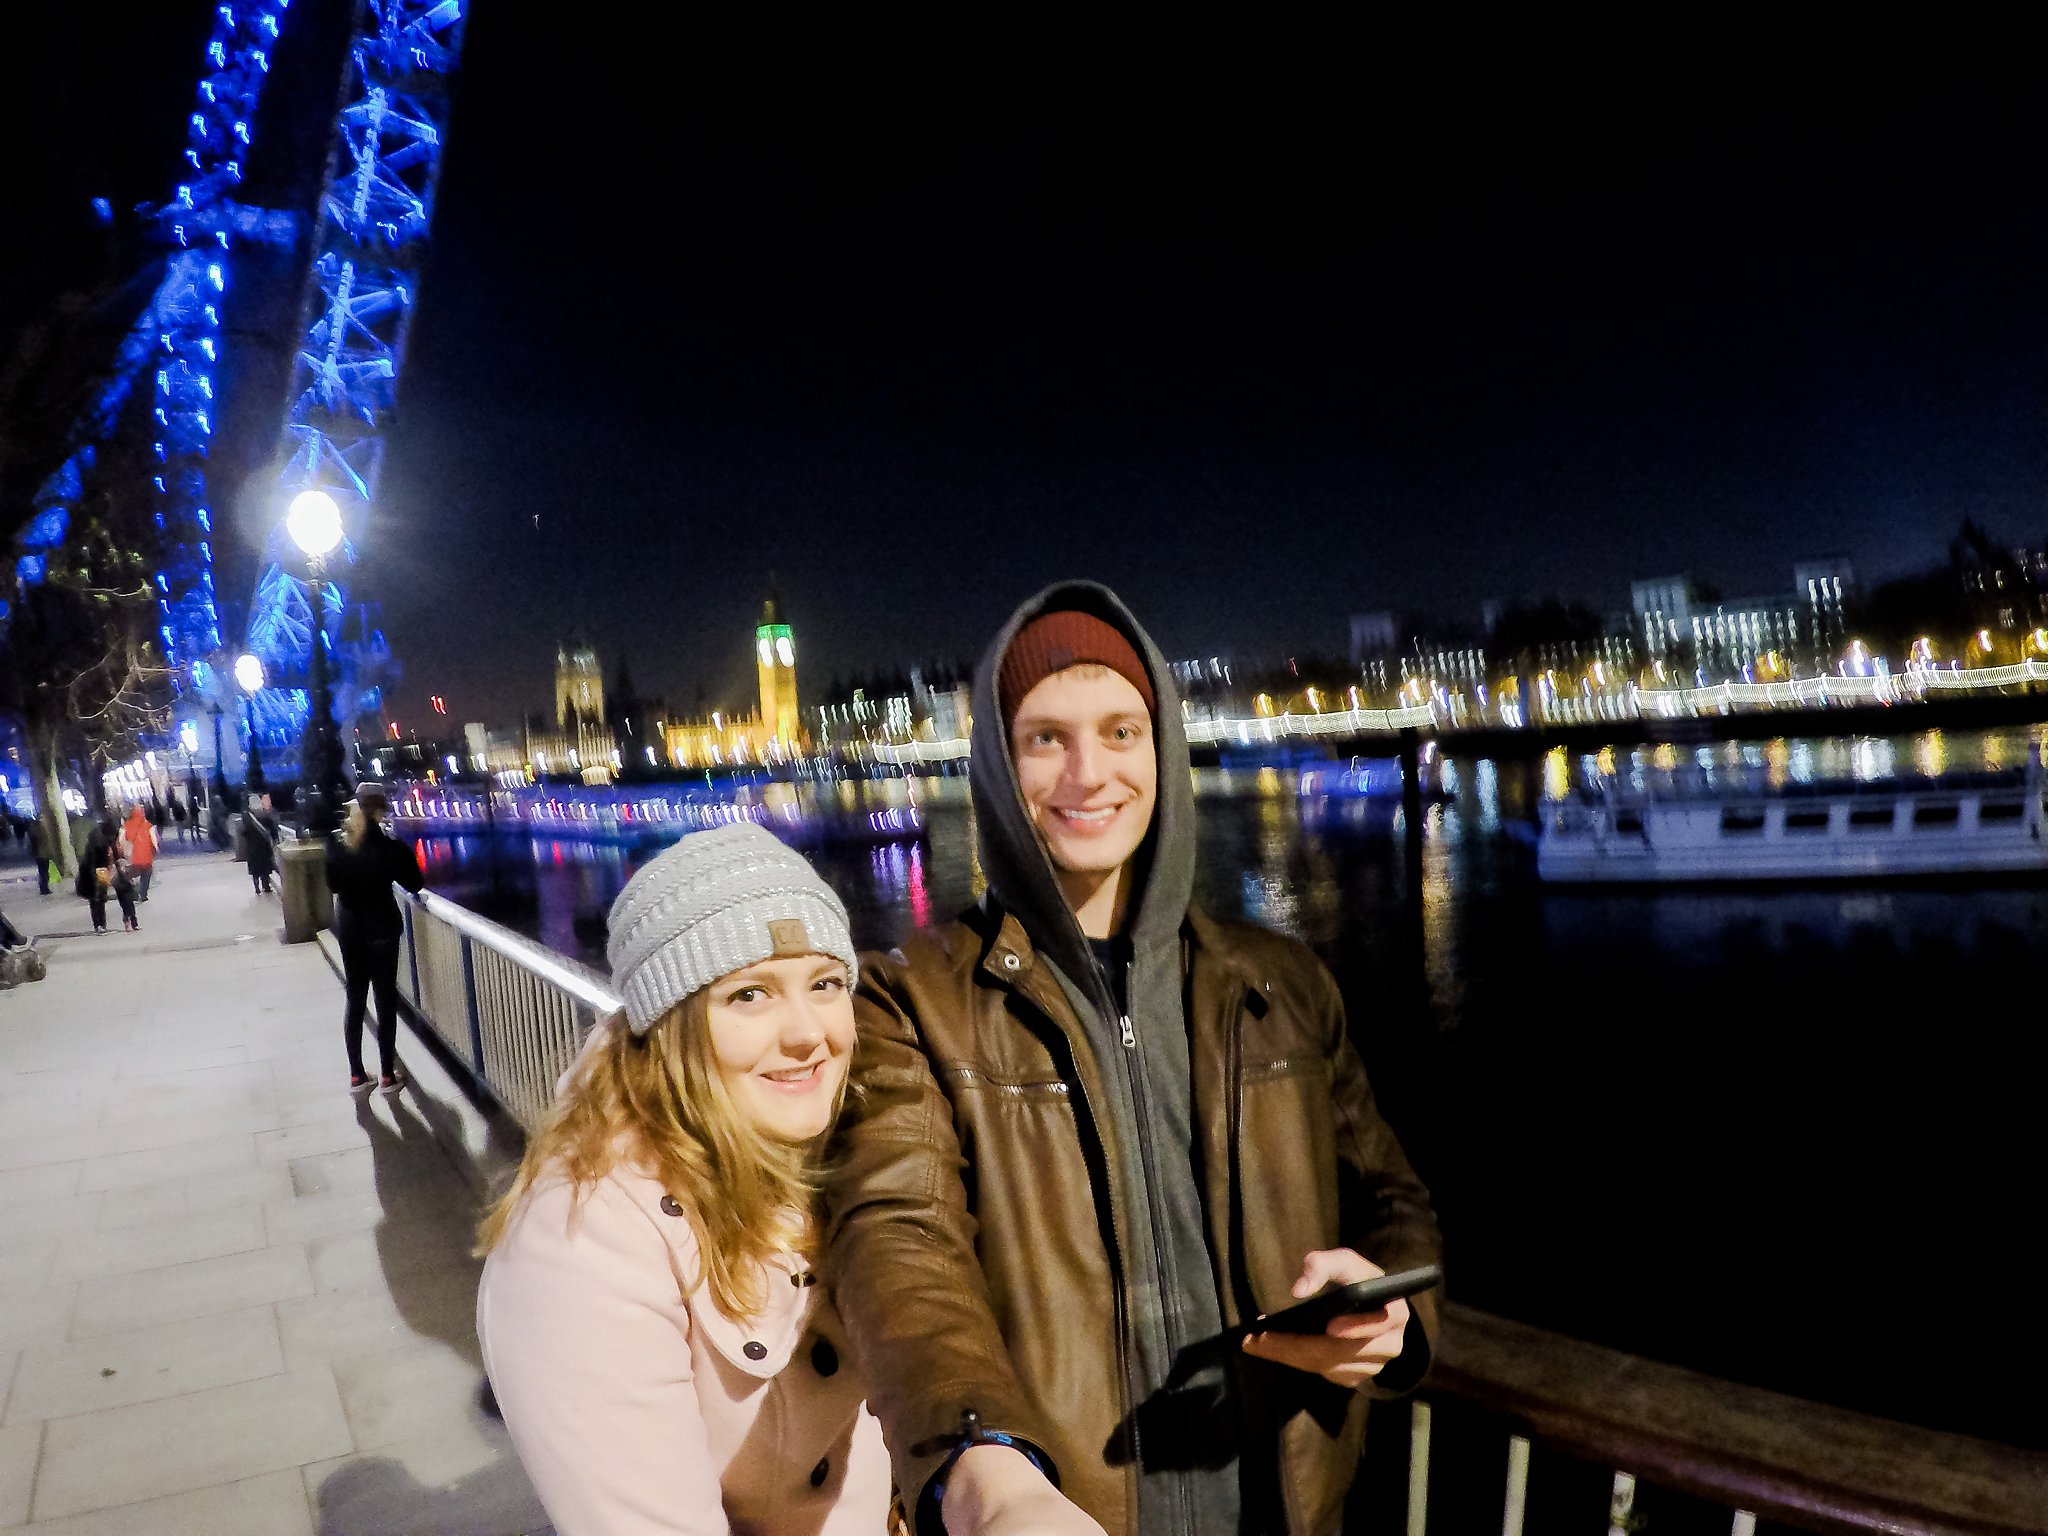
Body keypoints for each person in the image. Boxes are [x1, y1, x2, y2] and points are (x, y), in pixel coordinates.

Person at [825, 583, 1444, 1536]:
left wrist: (1392, 1326)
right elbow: (902, 1248)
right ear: (997, 763)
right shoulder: (910, 1004)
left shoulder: (1280, 985)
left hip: (1289, 1510)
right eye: (1045, 738)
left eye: (1121, 731)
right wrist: (984, 1467)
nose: (1090, 772)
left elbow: (1393, 1204)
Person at [476, 822, 892, 1535]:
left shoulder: (851, 1143)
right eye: (749, 995)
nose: (806, 1032)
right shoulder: (580, 1243)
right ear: (670, 1025)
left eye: (824, 984)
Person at [325, 782, 424, 1092]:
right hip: (382, 928)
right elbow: (415, 883)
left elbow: (333, 884)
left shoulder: (339, 842)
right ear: (381, 809)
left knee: (355, 998)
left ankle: (356, 1073)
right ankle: (387, 1074)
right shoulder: (389, 846)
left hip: (351, 928)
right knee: (384, 1000)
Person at [77, 812, 138, 934]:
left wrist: (118, 866)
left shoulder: (108, 836)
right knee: (98, 897)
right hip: (97, 869)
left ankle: (128, 919)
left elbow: (114, 851)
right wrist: (95, 878)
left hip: (105, 867)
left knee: (119, 891)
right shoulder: (98, 841)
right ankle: (99, 924)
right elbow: (92, 861)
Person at [241, 793, 278, 894]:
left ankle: (256, 887)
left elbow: (243, 831)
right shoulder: (264, 814)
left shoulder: (247, 816)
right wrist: (274, 840)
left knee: (255, 869)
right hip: (264, 846)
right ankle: (266, 886)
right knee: (265, 868)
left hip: (252, 847)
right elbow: (273, 829)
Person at [122, 801, 158, 902]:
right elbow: (154, 840)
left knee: (125, 876)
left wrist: (124, 853)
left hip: (134, 858)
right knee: (146, 875)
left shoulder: (127, 826)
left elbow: (123, 840)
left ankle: (133, 893)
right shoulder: (148, 825)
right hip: (146, 857)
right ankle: (143, 894)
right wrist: (155, 851)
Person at [27, 815, 52, 896]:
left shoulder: (34, 829)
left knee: (42, 871)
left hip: (38, 853)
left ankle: (43, 888)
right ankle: (44, 888)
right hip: (42, 853)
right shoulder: (42, 828)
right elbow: (44, 840)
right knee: (44, 871)